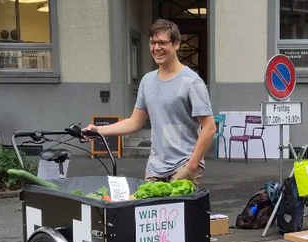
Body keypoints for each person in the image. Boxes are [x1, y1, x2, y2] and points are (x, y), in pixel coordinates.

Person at [85, 19, 216, 185]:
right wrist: (99, 130)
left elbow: (209, 127)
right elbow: (134, 122)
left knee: (176, 211)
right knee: (148, 210)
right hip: (155, 168)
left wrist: (191, 166)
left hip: (183, 166)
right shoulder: (147, 81)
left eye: (162, 43)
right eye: (153, 43)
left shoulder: (191, 82)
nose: (156, 48)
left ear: (176, 44)